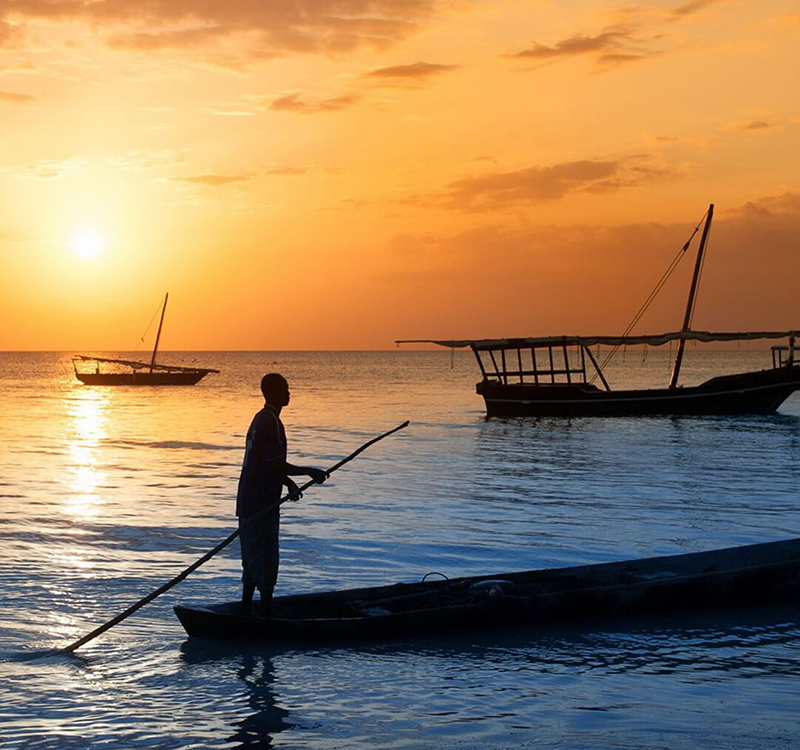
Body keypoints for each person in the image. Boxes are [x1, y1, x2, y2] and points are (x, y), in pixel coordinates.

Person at [236, 373, 328, 616]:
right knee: (265, 557)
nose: (289, 393)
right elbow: (274, 464)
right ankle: (265, 615)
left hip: (249, 501)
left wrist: (288, 484)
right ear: (274, 393)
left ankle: (246, 611)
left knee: (252, 557)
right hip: (261, 503)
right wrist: (309, 472)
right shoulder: (271, 423)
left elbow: (265, 464)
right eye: (285, 389)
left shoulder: (260, 419)